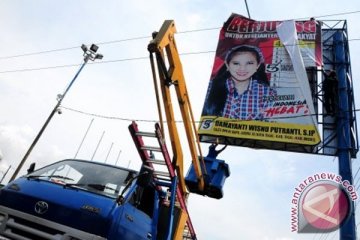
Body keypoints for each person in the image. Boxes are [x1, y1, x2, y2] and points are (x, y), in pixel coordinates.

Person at [202, 45, 276, 120]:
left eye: (249, 63)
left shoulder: (268, 93)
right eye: (236, 63)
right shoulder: (209, 87)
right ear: (227, 65)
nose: (242, 68)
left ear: (257, 66)